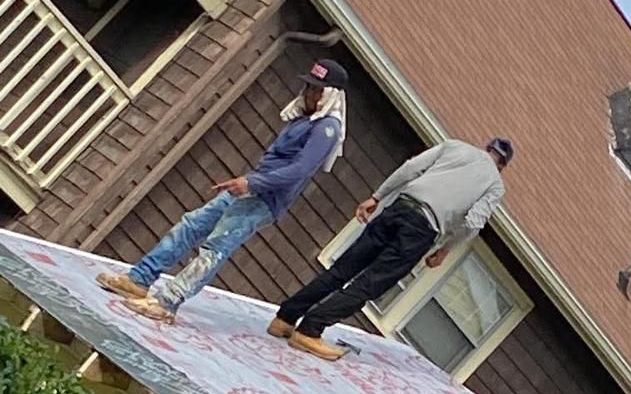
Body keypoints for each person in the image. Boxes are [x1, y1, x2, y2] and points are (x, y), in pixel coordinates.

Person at [96, 58, 349, 323]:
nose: (309, 94)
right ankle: (140, 278)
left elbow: (299, 170)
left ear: (330, 95)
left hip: (264, 198)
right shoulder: (306, 120)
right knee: (191, 225)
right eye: (308, 87)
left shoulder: (326, 128)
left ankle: (167, 302)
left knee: (216, 247)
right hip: (250, 187)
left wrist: (252, 183)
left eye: (317, 90)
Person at [268, 135, 514, 360]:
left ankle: (286, 317)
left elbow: (410, 168)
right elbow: (473, 223)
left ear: (487, 148)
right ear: (502, 166)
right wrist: (444, 249)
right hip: (422, 230)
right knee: (367, 286)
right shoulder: (495, 184)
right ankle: (310, 330)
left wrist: (376, 197)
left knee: (341, 270)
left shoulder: (454, 146)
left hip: (399, 207)